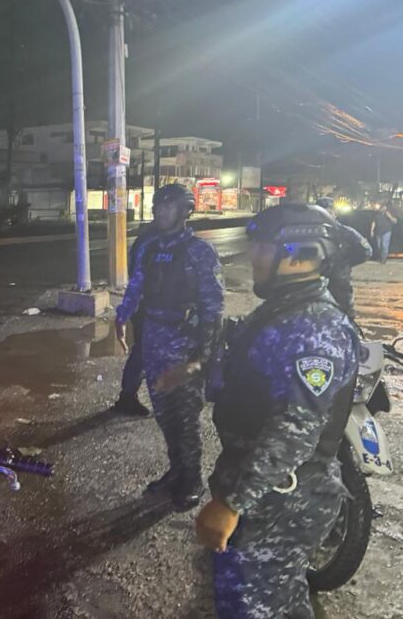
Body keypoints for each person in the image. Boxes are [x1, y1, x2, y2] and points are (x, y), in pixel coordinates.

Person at [196, 203, 359, 619]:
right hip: (267, 490)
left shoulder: (314, 327)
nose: (253, 256)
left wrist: (232, 503)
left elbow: (295, 429)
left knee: (251, 606)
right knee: (279, 602)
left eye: (264, 248)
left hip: (281, 501)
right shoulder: (287, 309)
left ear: (300, 254)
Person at [115, 183, 224, 510]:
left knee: (186, 417)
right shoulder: (149, 248)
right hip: (153, 341)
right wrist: (122, 316)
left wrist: (205, 355)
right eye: (158, 205)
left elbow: (214, 307)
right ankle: (177, 469)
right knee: (163, 414)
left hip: (185, 346)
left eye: (168, 205)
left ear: (185, 210)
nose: (160, 210)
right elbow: (136, 286)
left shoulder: (199, 252)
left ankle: (191, 478)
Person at [111, 221, 158, 417]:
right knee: (143, 354)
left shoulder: (154, 239)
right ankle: (127, 398)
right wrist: (123, 315)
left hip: (173, 314)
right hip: (149, 311)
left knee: (146, 354)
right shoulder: (150, 242)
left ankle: (130, 397)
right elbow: (137, 282)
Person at [315, 196, 371, 318]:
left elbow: (366, 251)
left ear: (335, 213)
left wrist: (345, 263)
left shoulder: (346, 232)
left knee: (344, 316)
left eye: (328, 211)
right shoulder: (308, 233)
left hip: (338, 282)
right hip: (315, 282)